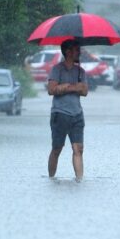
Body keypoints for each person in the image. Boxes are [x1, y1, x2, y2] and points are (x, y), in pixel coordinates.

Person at [47, 39, 88, 181]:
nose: (79, 52)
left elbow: (84, 91)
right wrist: (73, 87)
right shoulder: (57, 69)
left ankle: (79, 180)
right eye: (77, 50)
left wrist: (65, 87)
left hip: (77, 114)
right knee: (57, 149)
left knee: (78, 149)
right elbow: (51, 89)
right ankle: (51, 179)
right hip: (60, 114)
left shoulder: (81, 71)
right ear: (68, 52)